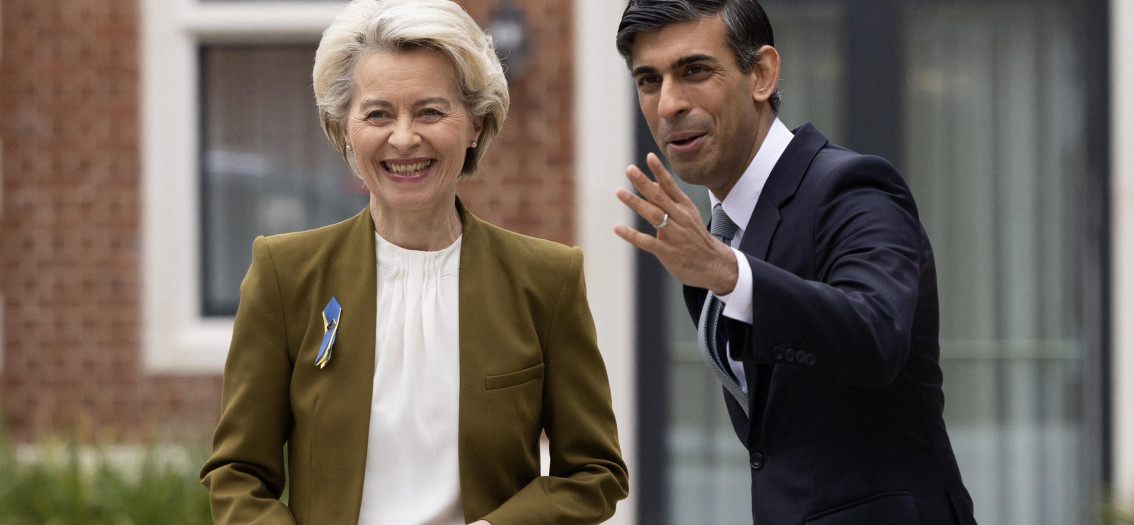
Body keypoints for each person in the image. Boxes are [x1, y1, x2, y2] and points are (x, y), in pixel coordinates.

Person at [200, 0, 628, 523]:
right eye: (378, 113)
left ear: (475, 123)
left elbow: (595, 472)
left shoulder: (546, 279)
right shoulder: (285, 275)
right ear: (344, 130)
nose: (404, 138)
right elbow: (238, 474)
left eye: (430, 111)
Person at [613, 0, 975, 523]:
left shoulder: (852, 187)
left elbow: (877, 335)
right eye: (649, 80)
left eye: (694, 70)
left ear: (761, 74)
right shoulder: (714, 236)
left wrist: (730, 274)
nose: (668, 103)